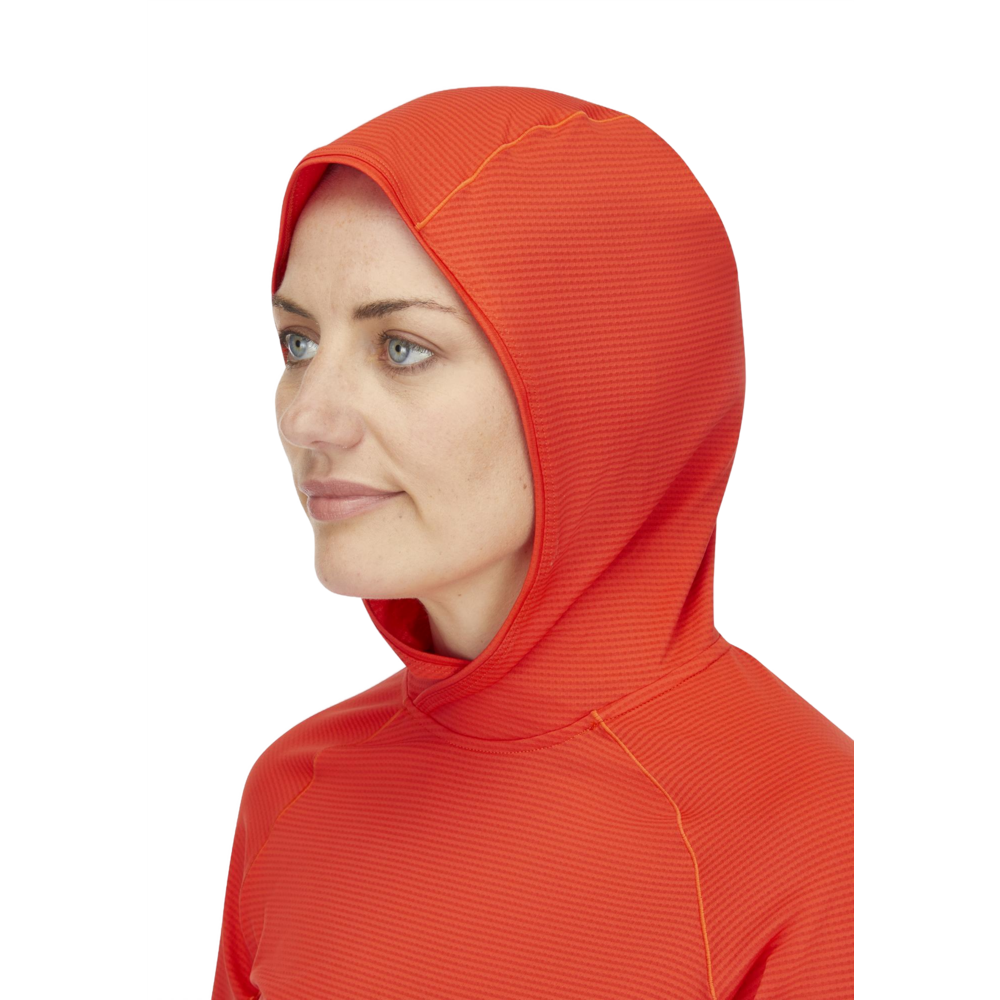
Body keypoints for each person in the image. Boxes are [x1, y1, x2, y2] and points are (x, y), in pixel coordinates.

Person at [211, 85, 853, 1000]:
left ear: (602, 388)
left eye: (401, 347)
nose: (307, 418)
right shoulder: (290, 790)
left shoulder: (812, 837)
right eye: (298, 343)